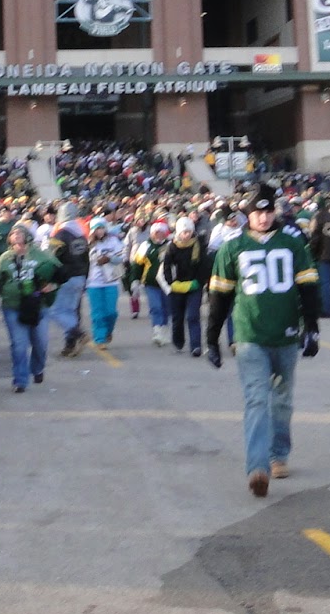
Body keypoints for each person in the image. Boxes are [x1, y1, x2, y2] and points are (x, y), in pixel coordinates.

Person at [204, 183, 320, 498]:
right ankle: (257, 468)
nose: (264, 217)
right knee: (257, 399)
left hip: (285, 334)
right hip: (249, 335)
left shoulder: (292, 244)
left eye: (268, 211)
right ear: (247, 214)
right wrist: (212, 338)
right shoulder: (233, 247)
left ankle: (278, 453)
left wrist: (312, 327)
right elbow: (219, 296)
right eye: (257, 212)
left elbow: (308, 287)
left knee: (282, 400)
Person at [0, 223, 60, 392]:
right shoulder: (5, 258)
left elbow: (59, 273)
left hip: (38, 306)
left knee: (41, 342)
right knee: (19, 344)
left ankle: (37, 368)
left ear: (28, 237)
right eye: (13, 233)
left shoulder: (41, 255)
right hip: (12, 306)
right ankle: (20, 380)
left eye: (19, 232)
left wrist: (52, 285)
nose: (16, 235)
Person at [48, 200, 91, 358]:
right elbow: (87, 259)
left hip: (66, 277)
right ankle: (70, 345)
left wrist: (50, 278)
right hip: (80, 277)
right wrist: (85, 278)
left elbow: (52, 258)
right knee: (71, 311)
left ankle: (78, 333)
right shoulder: (81, 235)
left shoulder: (60, 234)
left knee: (56, 311)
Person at [161, 216, 207, 357]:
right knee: (177, 317)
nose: (186, 235)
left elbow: (204, 265)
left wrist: (199, 282)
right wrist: (171, 282)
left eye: (189, 232)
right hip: (177, 286)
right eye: (184, 232)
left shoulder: (199, 245)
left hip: (194, 285)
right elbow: (166, 266)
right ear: (178, 233)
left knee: (193, 316)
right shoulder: (172, 247)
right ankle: (178, 342)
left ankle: (196, 346)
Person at [84, 216, 127, 346]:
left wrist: (110, 258)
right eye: (97, 229)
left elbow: (123, 256)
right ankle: (100, 339)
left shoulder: (113, 241)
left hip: (111, 281)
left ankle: (108, 331)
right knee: (97, 314)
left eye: (102, 228)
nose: (100, 231)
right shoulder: (88, 244)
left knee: (111, 313)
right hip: (93, 283)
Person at [130, 219, 171, 345]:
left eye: (161, 232)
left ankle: (164, 329)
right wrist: (135, 280)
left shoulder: (171, 245)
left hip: (167, 284)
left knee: (166, 308)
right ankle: (157, 330)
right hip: (150, 283)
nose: (158, 235)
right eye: (155, 232)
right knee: (155, 307)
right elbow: (137, 265)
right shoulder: (145, 246)